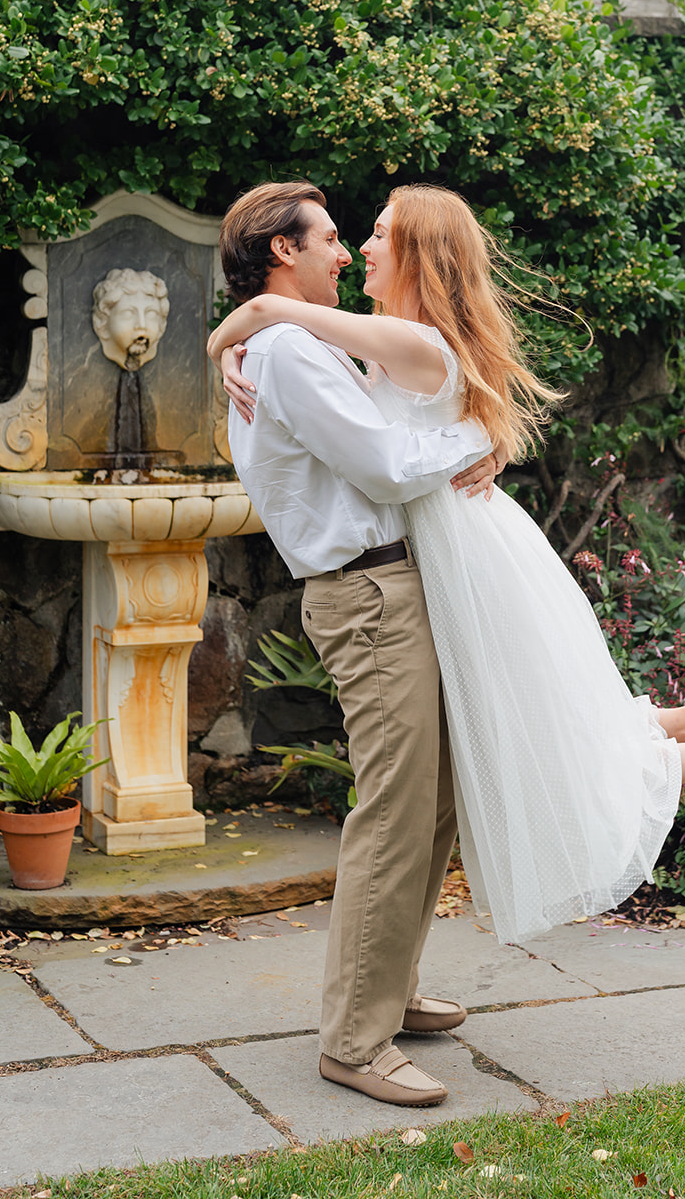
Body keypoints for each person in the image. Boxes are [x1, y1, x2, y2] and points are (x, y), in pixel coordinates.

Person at [210, 183, 685, 954]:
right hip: (445, 545)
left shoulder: (405, 341)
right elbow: (298, 349)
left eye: (376, 235)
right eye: (348, 237)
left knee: (512, 726)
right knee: (513, 719)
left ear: (414, 254)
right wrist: (236, 339)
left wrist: (247, 323)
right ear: (285, 249)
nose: (358, 251)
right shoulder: (382, 334)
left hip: (456, 549)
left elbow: (290, 332)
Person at [216, 180, 502, 1111]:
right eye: (331, 239)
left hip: (393, 583)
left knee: (435, 802)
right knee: (393, 808)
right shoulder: (290, 350)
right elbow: (381, 465)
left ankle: (390, 991)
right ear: (281, 254)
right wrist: (471, 435)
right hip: (368, 592)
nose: (344, 253)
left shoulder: (298, 343)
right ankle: (353, 1041)